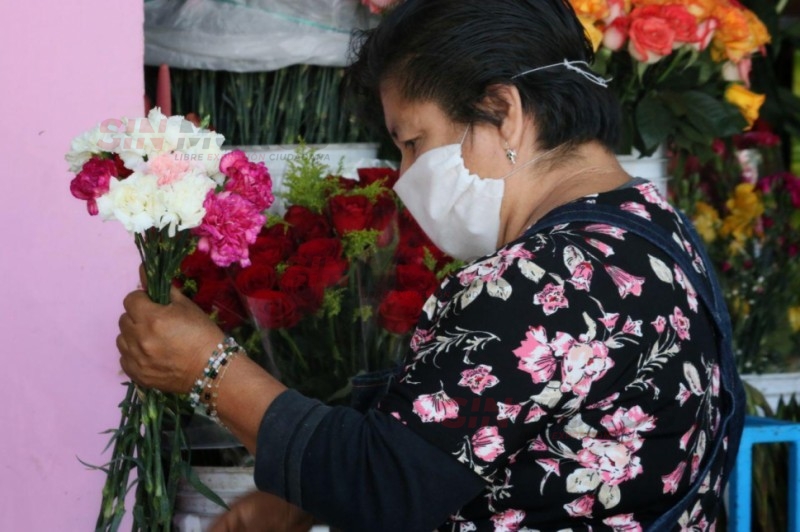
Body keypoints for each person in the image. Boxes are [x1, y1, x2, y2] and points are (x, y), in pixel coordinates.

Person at [116, 0, 744, 530]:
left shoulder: (545, 277)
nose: (403, 178)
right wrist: (298, 491)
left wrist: (210, 370)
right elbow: (478, 433)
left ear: (503, 113)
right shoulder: (651, 228)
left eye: (412, 141)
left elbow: (383, 485)